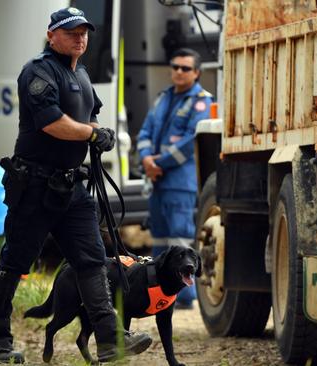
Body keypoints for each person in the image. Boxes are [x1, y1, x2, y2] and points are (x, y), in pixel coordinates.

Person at [0, 7, 152, 364]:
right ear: (51, 35)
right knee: (14, 263)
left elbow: (87, 114)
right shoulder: (38, 72)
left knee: (91, 262)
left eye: (84, 31)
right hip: (35, 188)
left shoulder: (84, 74)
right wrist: (91, 132)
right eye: (72, 31)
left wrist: (97, 131)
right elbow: (51, 123)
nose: (80, 37)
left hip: (72, 189)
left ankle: (109, 338)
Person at [136, 48, 212, 309]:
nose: (179, 71)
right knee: (159, 239)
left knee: (180, 241)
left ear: (197, 73)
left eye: (185, 68)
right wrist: (146, 158)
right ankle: (155, 292)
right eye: (176, 66)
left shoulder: (202, 101)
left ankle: (184, 297)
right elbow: (145, 131)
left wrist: (158, 163)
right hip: (157, 181)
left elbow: (192, 141)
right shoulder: (163, 98)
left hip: (180, 183)